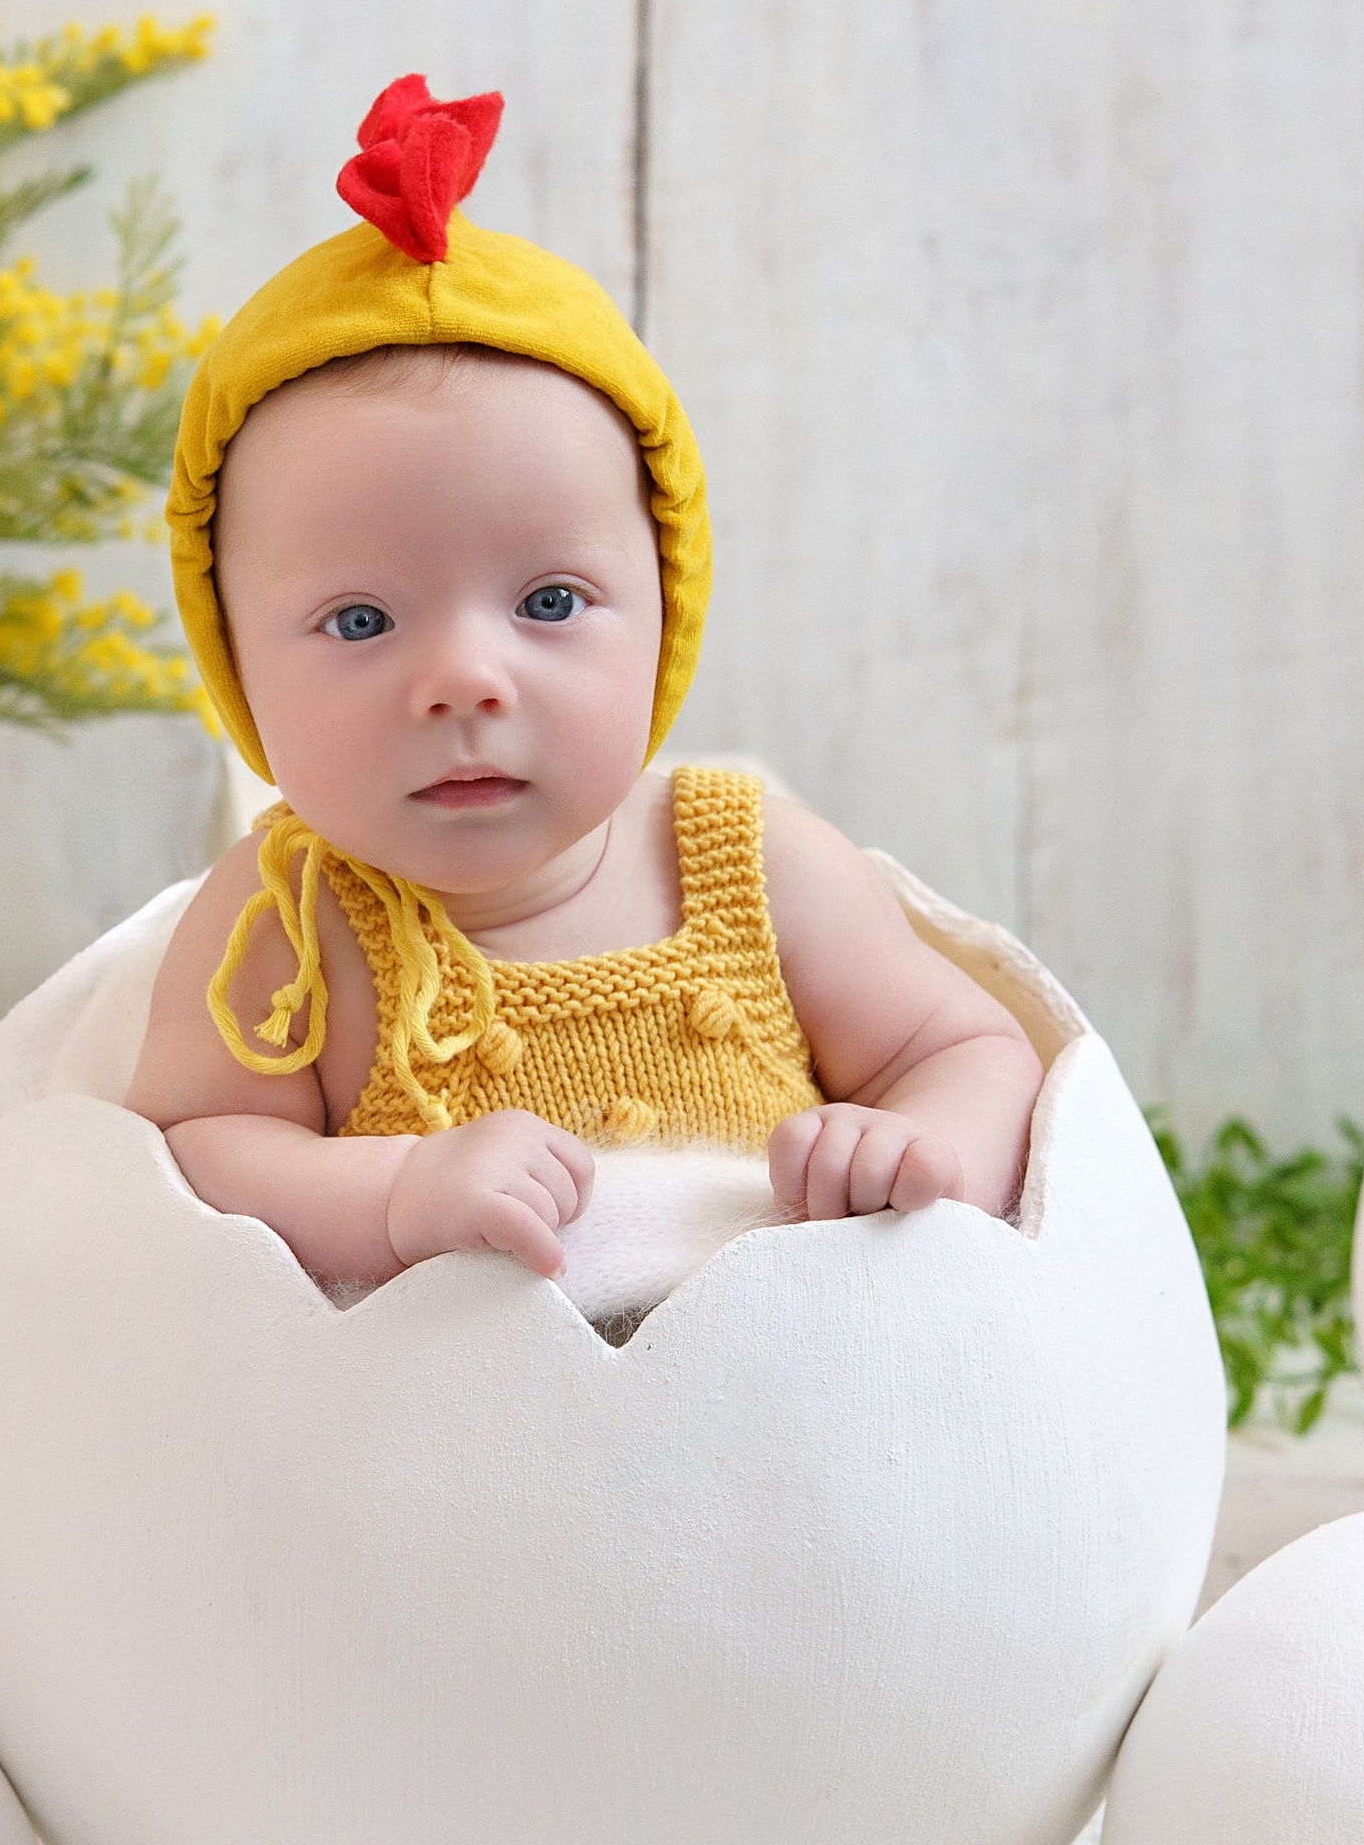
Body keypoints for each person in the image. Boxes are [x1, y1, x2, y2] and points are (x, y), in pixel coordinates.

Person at [125, 77, 1043, 1287]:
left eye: (548, 603)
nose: (462, 682)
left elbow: (974, 1045)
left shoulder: (752, 864)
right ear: (234, 658)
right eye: (359, 619)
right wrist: (395, 1190)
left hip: (777, 1440)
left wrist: (921, 1141)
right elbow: (193, 1154)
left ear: (664, 611)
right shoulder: (286, 923)